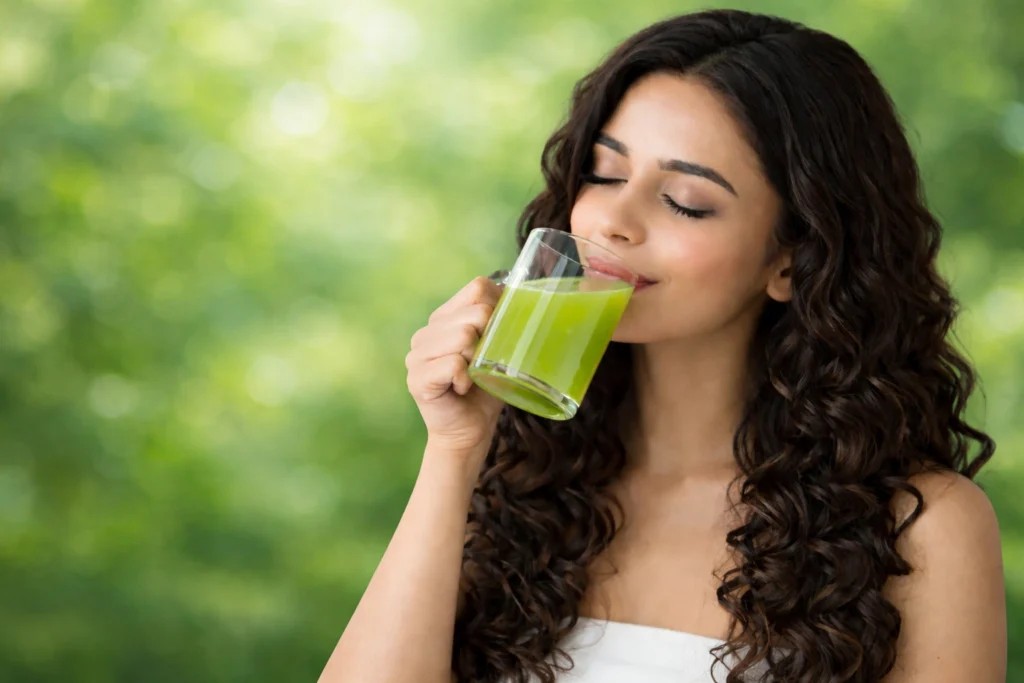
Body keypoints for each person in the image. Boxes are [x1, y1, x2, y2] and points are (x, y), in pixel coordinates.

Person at [321, 9, 1006, 683]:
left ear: (793, 260)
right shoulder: (523, 485)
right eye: (603, 174)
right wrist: (454, 452)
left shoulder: (920, 526)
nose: (614, 221)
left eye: (684, 200)